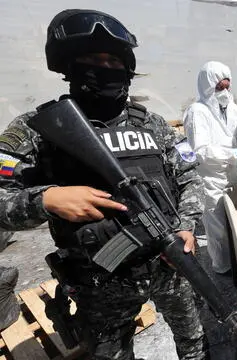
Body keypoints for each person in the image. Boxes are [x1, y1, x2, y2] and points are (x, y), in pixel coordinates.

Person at [0, 9, 207, 359]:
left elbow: (189, 178)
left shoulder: (152, 125)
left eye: (113, 59)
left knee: (194, 341)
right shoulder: (40, 131)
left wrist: (186, 227)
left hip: (168, 265)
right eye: (92, 58)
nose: (104, 66)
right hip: (101, 282)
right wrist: (47, 199)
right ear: (69, 66)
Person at [183, 61, 237, 274]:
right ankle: (222, 267)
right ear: (208, 87)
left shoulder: (234, 109)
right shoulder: (197, 112)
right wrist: (233, 154)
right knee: (218, 228)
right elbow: (200, 150)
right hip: (211, 180)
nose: (225, 92)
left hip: (232, 176)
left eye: (228, 87)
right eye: (219, 87)